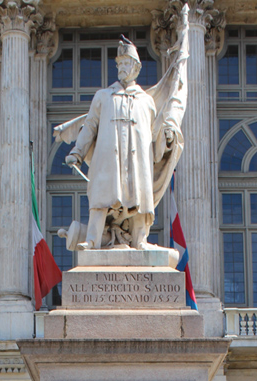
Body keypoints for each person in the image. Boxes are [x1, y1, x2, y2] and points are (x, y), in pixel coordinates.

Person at [59, 29, 187, 251]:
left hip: (137, 161)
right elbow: (89, 126)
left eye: (127, 63)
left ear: (136, 68)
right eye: (119, 63)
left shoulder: (146, 101)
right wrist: (77, 152)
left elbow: (154, 133)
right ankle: (91, 240)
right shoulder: (103, 96)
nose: (122, 67)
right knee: (100, 197)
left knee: (139, 198)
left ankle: (140, 241)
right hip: (108, 159)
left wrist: (167, 138)